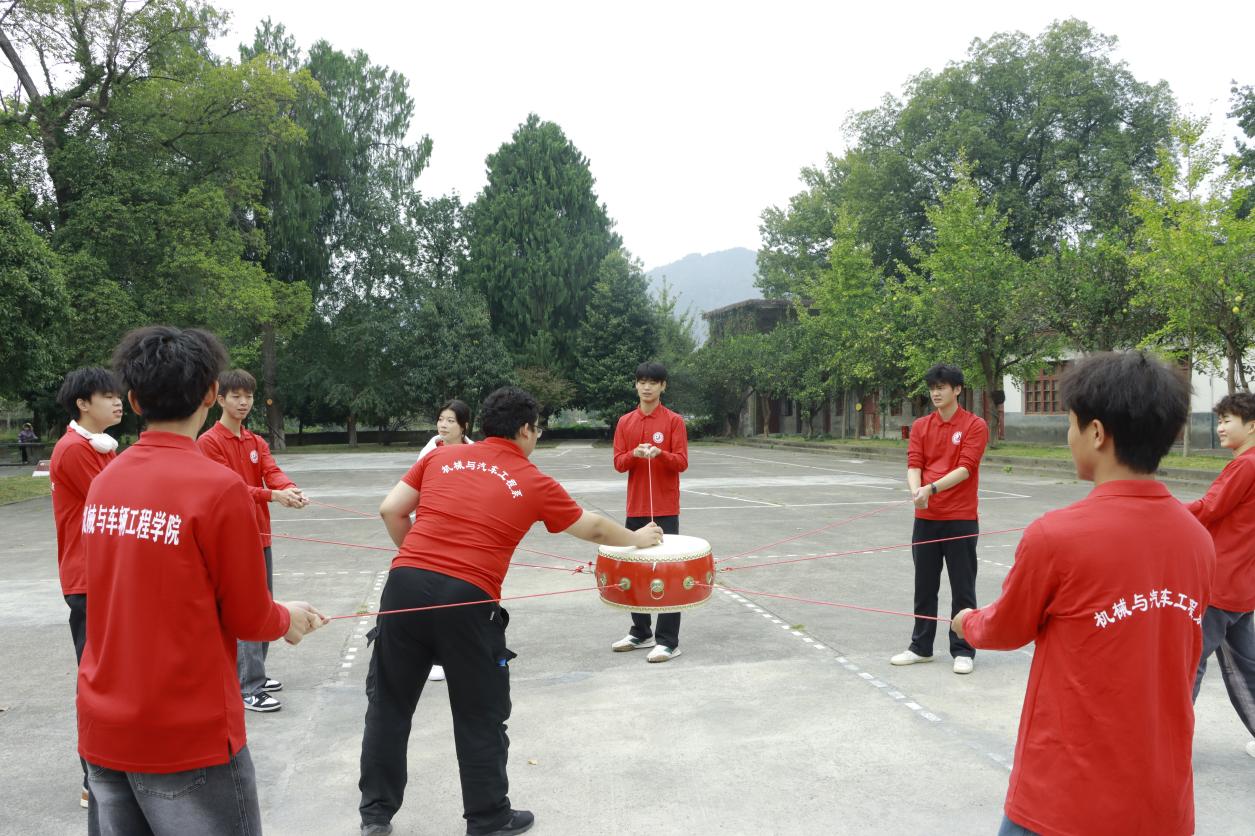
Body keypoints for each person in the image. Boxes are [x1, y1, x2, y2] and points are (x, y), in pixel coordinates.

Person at [358, 386, 663, 836]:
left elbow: (391, 511)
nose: (536, 437)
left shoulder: (440, 457)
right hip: (467, 600)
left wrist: (419, 562)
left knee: (389, 705)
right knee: (478, 713)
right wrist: (638, 538)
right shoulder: (532, 479)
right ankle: (488, 818)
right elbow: (594, 528)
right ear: (524, 429)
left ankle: (375, 816)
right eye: (536, 429)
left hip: (403, 588)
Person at [952, 351, 1215, 836]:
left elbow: (1006, 628)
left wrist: (966, 622)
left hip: (1063, 801)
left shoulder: (1056, 535)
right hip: (1162, 803)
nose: (1068, 436)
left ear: (1096, 433)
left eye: (1071, 424)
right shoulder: (1197, 539)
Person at [78, 325, 325, 836]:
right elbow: (248, 615)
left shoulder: (105, 482)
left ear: (134, 400)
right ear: (212, 394)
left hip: (104, 722)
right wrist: (287, 618)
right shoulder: (218, 488)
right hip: (185, 730)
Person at [197, 368, 309, 713]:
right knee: (246, 605)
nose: (243, 402)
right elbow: (229, 488)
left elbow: (271, 471)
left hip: (260, 534)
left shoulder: (255, 441)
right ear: (220, 399)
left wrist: (288, 488)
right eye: (236, 396)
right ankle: (249, 685)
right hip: (233, 538)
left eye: (248, 396)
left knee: (264, 602)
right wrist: (273, 496)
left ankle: (253, 672)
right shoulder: (209, 442)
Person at [48, 367, 123, 809]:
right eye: (107, 395)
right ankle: (92, 778)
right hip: (89, 580)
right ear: (82, 403)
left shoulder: (101, 446)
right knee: (96, 680)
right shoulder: (75, 450)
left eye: (118, 395)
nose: (117, 401)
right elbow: (117, 502)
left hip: (107, 577)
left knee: (114, 674)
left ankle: (112, 768)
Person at [890, 363, 988, 674]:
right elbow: (914, 463)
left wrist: (931, 488)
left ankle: (963, 649)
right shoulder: (921, 426)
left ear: (957, 390)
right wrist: (916, 491)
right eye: (932, 387)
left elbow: (966, 468)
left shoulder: (974, 425)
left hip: (960, 518)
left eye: (942, 387)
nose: (936, 393)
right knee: (924, 585)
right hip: (926, 518)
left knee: (962, 587)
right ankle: (921, 647)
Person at [1183, 391, 1255, 760]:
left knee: (1189, 665)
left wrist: (1158, 511)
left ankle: (1169, 745)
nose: (1220, 427)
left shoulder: (1245, 466)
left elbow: (1208, 508)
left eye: (1228, 420)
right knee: (1247, 666)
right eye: (1219, 420)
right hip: (1243, 587)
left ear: (1252, 425)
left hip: (1218, 586)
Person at [609, 361, 690, 662]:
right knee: (635, 569)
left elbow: (682, 462)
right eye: (642, 381)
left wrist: (661, 454)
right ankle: (641, 632)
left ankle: (668, 640)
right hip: (636, 507)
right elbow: (618, 463)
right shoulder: (625, 422)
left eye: (653, 382)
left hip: (665, 508)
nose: (646, 387)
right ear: (636, 385)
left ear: (663, 386)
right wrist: (634, 453)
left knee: (667, 571)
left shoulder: (673, 421)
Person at [415, 399, 475, 683]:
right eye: (441, 419)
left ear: (464, 426)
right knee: (433, 592)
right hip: (434, 532)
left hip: (466, 532)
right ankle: (436, 656)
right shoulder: (429, 451)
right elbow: (415, 489)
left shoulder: (475, 452)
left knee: (461, 593)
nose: (443, 425)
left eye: (451, 420)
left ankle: (461, 650)